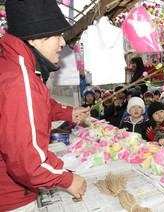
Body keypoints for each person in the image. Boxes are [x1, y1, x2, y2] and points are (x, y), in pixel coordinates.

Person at [0, 0, 90, 211]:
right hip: (12, 199)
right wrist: (67, 179)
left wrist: (67, 111)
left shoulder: (14, 66)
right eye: (57, 35)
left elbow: (34, 105)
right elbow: (28, 163)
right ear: (35, 38)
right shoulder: (19, 81)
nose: (62, 43)